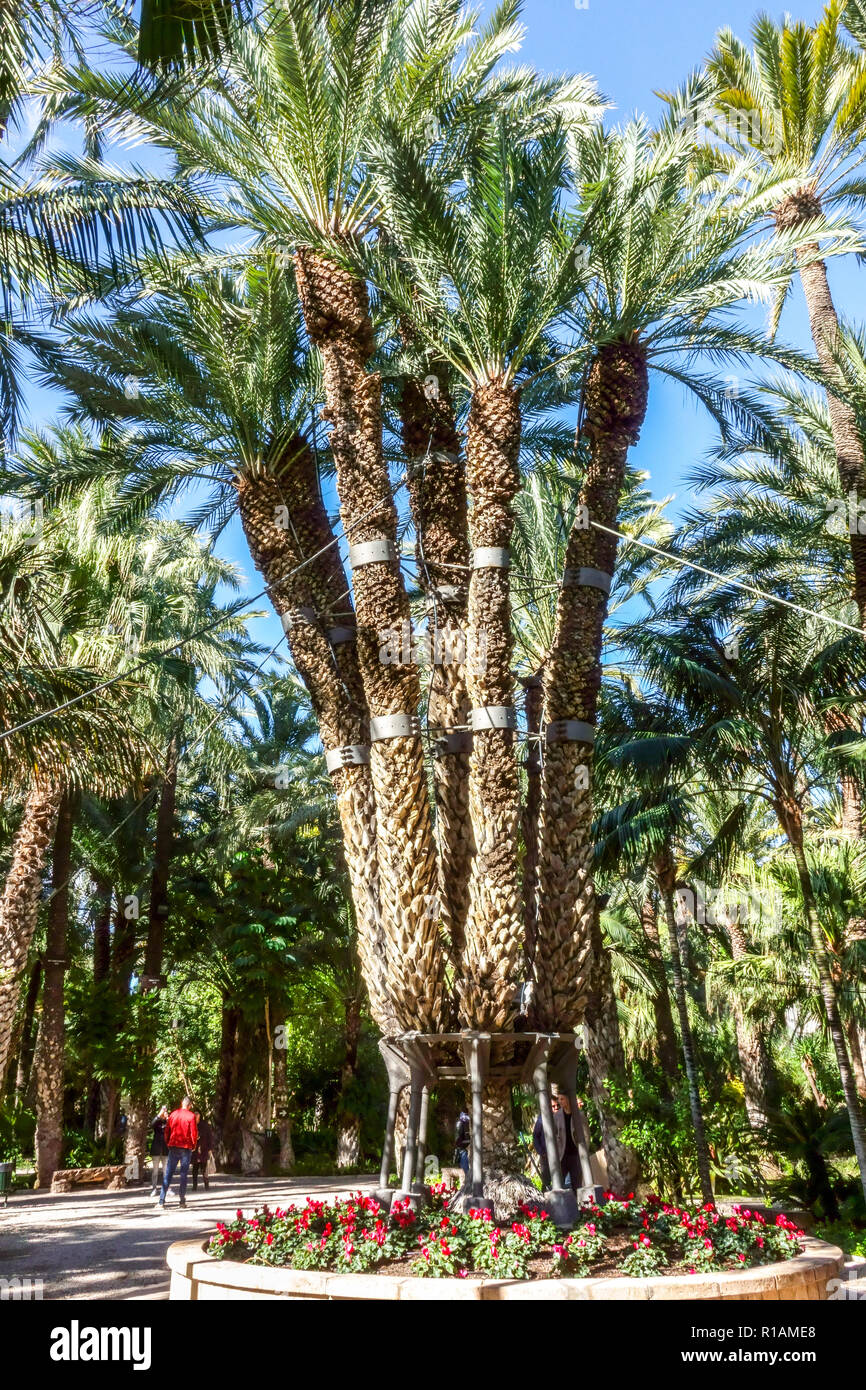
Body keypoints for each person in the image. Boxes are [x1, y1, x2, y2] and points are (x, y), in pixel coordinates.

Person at [157, 1096, 198, 1209]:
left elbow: (167, 1131)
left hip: (174, 1145)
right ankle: (182, 1201)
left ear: (182, 1103)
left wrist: (168, 1142)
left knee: (169, 1173)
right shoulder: (191, 1116)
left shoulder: (174, 1114)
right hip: (186, 1147)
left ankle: (161, 1201)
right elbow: (193, 1133)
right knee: (183, 1174)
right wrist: (193, 1145)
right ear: (189, 1105)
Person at [192, 1110, 214, 1192]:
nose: (196, 1119)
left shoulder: (205, 1125)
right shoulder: (191, 1125)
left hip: (203, 1150)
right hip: (194, 1150)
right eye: (195, 1117)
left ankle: (206, 1185)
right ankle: (194, 1186)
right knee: (195, 1169)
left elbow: (210, 1137)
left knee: (204, 1169)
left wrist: (210, 1149)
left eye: (197, 1117)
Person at [149, 1105, 169, 1197]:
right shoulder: (157, 1123)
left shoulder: (168, 1122)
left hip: (165, 1150)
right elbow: (151, 1124)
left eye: (165, 1111)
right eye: (163, 1111)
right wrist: (159, 1115)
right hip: (156, 1150)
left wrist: (168, 1119)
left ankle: (166, 1189)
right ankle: (154, 1189)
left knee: (166, 1171)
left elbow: (173, 1128)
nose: (164, 1113)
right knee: (155, 1171)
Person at [453, 1105, 470, 1177]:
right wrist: (469, 1141)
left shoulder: (463, 1120)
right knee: (467, 1171)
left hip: (463, 1148)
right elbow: (458, 1140)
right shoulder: (462, 1121)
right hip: (462, 1149)